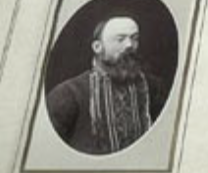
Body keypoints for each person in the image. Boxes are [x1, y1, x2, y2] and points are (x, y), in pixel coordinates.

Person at [46, 14, 169, 155]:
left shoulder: (153, 87)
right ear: (98, 47)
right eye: (120, 39)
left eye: (134, 38)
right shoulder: (68, 94)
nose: (130, 45)